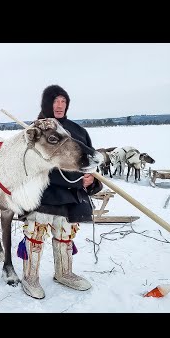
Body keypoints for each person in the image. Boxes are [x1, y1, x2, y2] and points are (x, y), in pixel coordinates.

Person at [19, 84, 103, 299]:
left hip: (70, 199)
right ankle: (30, 277)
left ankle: (64, 273)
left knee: (65, 236)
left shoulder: (79, 131)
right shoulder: (37, 132)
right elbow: (35, 167)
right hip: (43, 195)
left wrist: (90, 179)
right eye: (55, 101)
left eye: (63, 101)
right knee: (35, 236)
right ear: (47, 104)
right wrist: (77, 182)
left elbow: (90, 163)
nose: (59, 105)